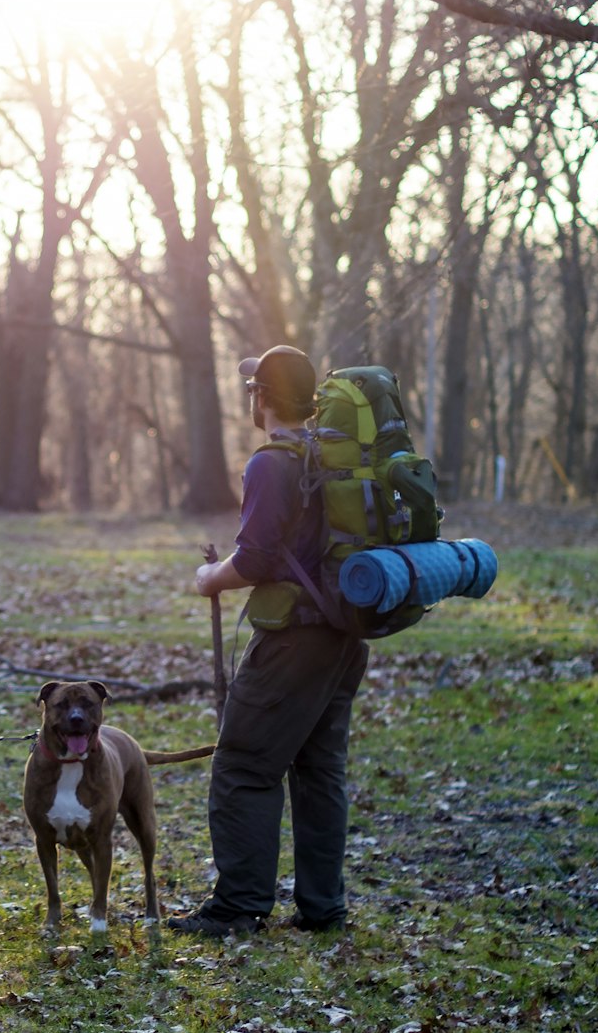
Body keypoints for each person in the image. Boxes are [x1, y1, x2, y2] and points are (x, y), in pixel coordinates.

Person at [168, 344, 368, 938]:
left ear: (262, 396)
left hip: (293, 641)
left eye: (252, 388)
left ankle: (238, 907)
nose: (248, 398)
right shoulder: (330, 456)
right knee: (318, 771)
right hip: (344, 636)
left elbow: (253, 559)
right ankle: (322, 908)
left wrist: (210, 578)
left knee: (243, 765)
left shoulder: (272, 463)